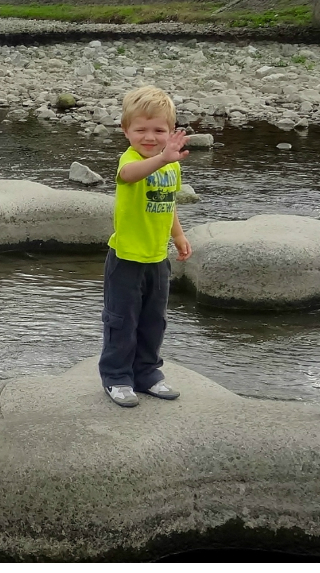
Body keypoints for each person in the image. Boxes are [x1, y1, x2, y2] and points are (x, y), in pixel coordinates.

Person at [100, 85, 193, 407]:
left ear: (171, 132)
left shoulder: (172, 165)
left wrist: (178, 236)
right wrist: (162, 158)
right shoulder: (130, 160)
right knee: (121, 320)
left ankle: (147, 373)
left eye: (159, 130)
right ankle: (117, 377)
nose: (149, 137)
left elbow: (168, 204)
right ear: (126, 131)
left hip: (157, 258)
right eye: (140, 129)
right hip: (126, 258)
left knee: (154, 320)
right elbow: (129, 175)